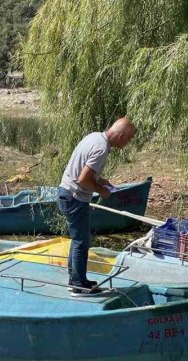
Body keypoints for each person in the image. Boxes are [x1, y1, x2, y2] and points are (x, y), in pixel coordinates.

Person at [58, 117, 136, 296]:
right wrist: (101, 190)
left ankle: (76, 279)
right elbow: (83, 179)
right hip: (74, 197)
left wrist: (100, 180)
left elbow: (82, 169)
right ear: (121, 136)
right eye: (128, 139)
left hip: (67, 193)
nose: (128, 143)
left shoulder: (94, 137)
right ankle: (78, 285)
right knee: (81, 241)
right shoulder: (102, 148)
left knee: (79, 239)